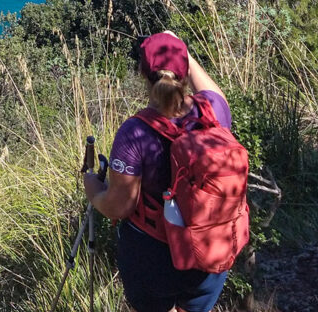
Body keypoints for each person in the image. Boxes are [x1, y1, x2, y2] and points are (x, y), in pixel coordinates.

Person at [83, 31, 232, 312]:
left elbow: (118, 207)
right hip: (210, 248)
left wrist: (92, 189)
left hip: (154, 256)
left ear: (142, 73)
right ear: (185, 72)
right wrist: (180, 51)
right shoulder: (214, 112)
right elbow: (214, 92)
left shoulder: (135, 133)